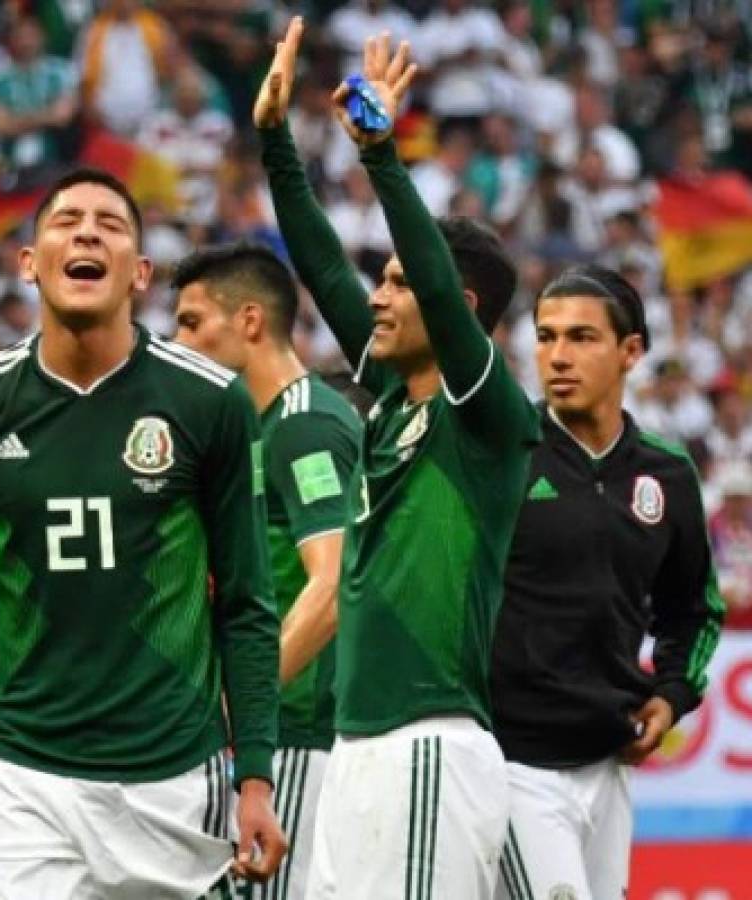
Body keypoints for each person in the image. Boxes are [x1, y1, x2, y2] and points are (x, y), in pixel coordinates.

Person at [0, 168, 286, 898]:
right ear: (28, 263)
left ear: (140, 273)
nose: (86, 232)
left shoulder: (209, 402)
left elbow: (245, 604)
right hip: (26, 780)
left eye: (110, 224)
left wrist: (257, 778)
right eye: (66, 220)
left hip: (176, 775)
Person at [256, 22, 539, 898]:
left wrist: (383, 156)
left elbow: (424, 275)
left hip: (429, 741)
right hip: (356, 748)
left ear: (456, 306)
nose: (376, 294)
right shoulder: (385, 404)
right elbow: (320, 267)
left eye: (400, 283)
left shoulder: (489, 417)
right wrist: (274, 142)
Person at [490, 265, 725, 900]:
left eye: (581, 338)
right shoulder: (505, 452)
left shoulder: (667, 474)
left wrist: (672, 693)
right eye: (545, 337)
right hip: (511, 760)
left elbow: (694, 609)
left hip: (608, 758)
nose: (557, 356)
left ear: (631, 352)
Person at [173, 242, 361, 900]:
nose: (179, 340)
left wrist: (244, 708)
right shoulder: (256, 428)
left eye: (192, 322)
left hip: (296, 733)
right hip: (267, 732)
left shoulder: (304, 427)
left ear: (249, 321)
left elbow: (333, 584)